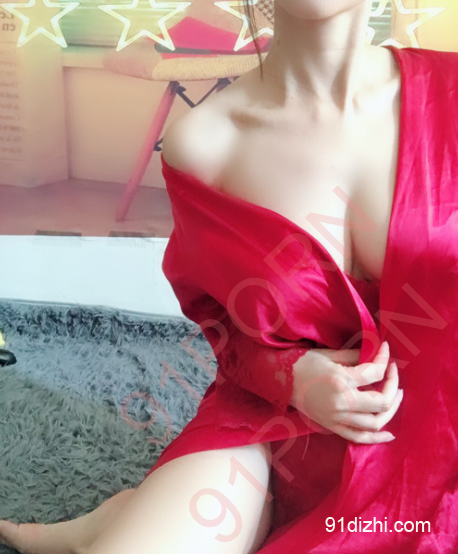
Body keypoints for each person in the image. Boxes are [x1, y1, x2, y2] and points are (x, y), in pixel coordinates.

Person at [2, 0, 458, 552]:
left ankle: (123, 515)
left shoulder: (450, 95)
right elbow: (225, 330)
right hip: (272, 428)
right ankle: (136, 517)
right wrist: (293, 378)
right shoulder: (204, 142)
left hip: (437, 444)